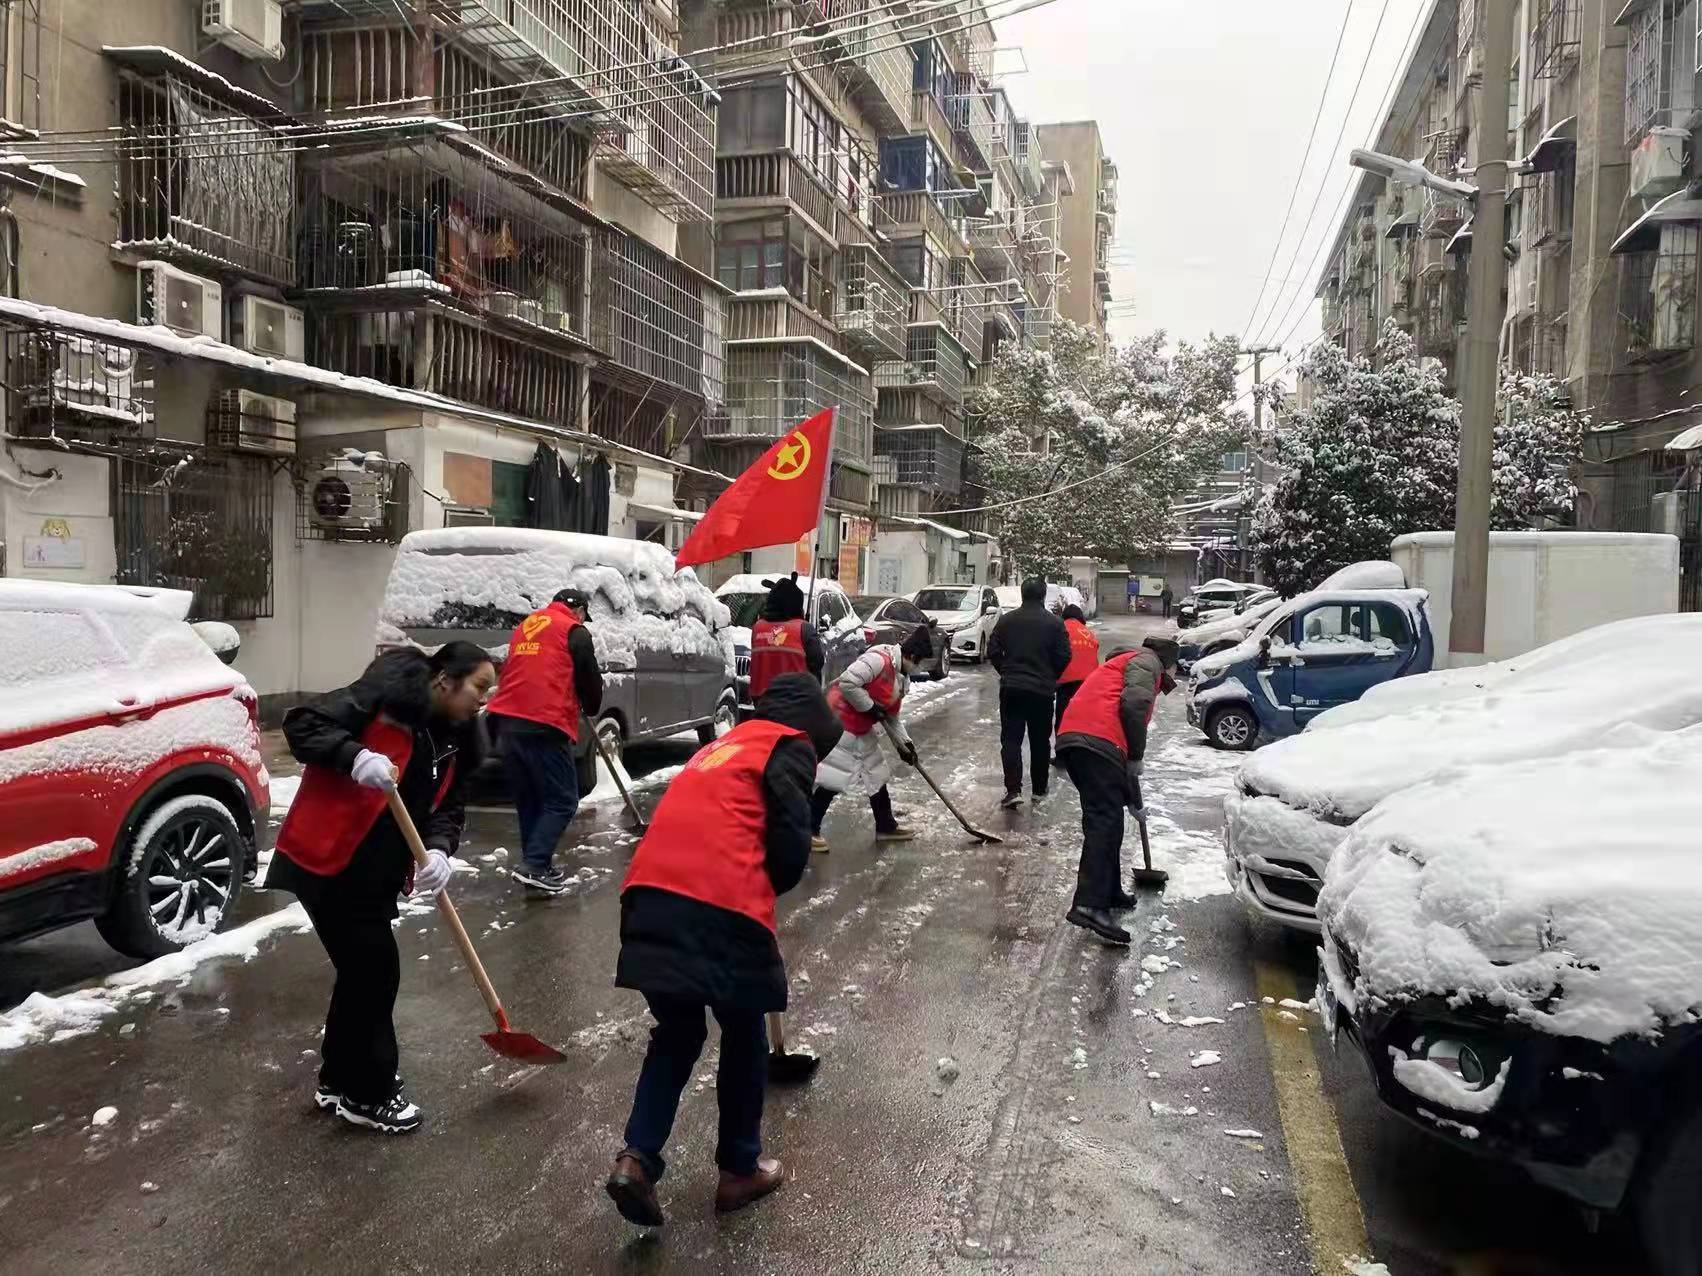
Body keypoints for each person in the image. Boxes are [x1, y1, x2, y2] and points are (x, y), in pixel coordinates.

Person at [605, 672, 842, 1227]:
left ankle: (636, 1159)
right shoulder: (790, 745)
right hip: (718, 904)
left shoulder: (723, 746)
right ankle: (739, 1170)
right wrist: (768, 886)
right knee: (742, 1030)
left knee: (678, 1033)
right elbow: (788, 847)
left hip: (647, 898)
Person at [267, 642, 495, 1134]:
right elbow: (303, 724)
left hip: (373, 873)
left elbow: (448, 808)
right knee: (374, 969)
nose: (484, 700)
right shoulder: (385, 696)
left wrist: (438, 850)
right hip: (326, 858)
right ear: (444, 679)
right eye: (479, 686)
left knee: (360, 972)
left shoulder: (458, 738)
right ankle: (367, 1094)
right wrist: (353, 756)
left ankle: (337, 1079)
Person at [1054, 636, 1179, 946]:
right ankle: (1089, 904)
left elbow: (1122, 734)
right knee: (1104, 821)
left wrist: (1132, 799)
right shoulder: (1147, 662)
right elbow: (1134, 705)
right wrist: (1136, 755)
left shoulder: (1122, 664)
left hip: (1082, 738)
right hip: (1096, 740)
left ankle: (1107, 891)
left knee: (1109, 818)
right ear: (1167, 662)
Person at [484, 588, 603, 895]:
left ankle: (535, 865)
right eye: (584, 615)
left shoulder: (527, 626)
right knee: (563, 800)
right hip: (543, 722)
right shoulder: (574, 631)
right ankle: (535, 865)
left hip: (505, 722)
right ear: (578, 610)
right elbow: (589, 678)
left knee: (531, 799)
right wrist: (590, 705)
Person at [810, 625, 934, 850]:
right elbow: (848, 682)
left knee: (876, 773)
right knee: (834, 776)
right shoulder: (879, 659)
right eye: (919, 662)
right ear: (912, 656)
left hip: (862, 726)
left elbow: (892, 717)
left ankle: (885, 826)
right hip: (841, 722)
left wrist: (905, 746)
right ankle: (808, 829)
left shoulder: (901, 677)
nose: (919, 668)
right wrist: (869, 707)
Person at [987, 577, 1070, 807]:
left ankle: (1013, 790)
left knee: (1011, 740)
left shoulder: (1006, 621)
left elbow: (992, 649)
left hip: (1012, 688)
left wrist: (1005, 670)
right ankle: (1039, 789)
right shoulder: (1055, 624)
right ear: (1043, 596)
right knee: (1040, 741)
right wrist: (1050, 676)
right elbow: (1065, 655)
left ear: (1022, 594)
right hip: (1041, 691)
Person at [748, 573, 824, 701]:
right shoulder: (803, 629)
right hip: (795, 700)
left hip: (761, 700)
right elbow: (817, 663)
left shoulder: (757, 628)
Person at [1052, 603, 1099, 765]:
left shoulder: (1060, 628)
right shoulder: (1088, 633)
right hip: (1088, 684)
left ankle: (1062, 758)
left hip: (1066, 682)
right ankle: (1082, 757)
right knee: (1082, 721)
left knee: (1063, 719)